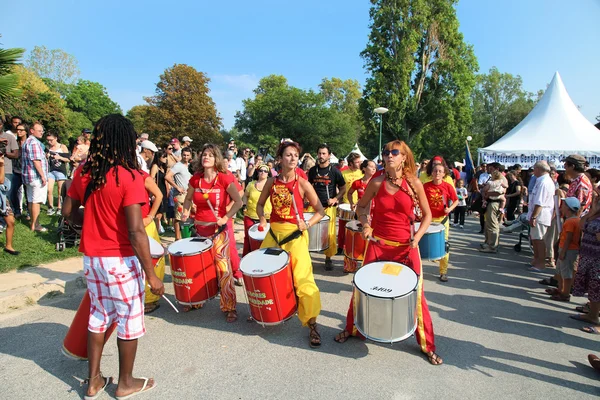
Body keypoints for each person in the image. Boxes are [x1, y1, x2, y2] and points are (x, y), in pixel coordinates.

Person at [62, 114, 164, 399]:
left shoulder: (85, 171)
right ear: (126, 142)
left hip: (92, 259)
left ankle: (93, 381)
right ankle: (126, 382)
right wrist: (152, 274)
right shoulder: (130, 176)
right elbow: (135, 231)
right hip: (120, 260)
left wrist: (91, 222)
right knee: (129, 319)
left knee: (98, 315)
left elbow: (68, 213)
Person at [334, 140, 442, 365]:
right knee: (361, 290)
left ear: (404, 157)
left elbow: (428, 215)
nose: (389, 155)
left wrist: (418, 236)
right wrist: (365, 225)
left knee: (417, 295)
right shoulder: (377, 181)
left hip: (406, 248)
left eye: (395, 152)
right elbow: (362, 207)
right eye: (386, 152)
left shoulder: (414, 183)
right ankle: (353, 329)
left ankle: (427, 344)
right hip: (378, 245)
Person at [256, 140, 325, 348]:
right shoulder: (272, 182)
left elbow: (320, 210)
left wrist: (307, 224)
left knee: (303, 280)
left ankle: (311, 322)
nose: (293, 158)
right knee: (261, 271)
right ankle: (265, 309)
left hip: (295, 236)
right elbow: (260, 204)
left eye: (296, 155)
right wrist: (262, 219)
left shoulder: (303, 183)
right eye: (288, 155)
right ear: (280, 158)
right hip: (274, 235)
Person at [181, 144, 242, 320]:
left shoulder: (223, 178)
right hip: (200, 232)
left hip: (218, 232)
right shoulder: (196, 179)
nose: (206, 157)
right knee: (198, 269)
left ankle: (229, 306)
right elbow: (188, 199)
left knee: (223, 270)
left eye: (210, 155)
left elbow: (238, 201)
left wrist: (226, 217)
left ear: (216, 158)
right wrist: (186, 211)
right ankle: (197, 300)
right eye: (204, 155)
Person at [307, 144, 346, 271]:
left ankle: (328, 259)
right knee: (308, 232)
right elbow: (308, 186)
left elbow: (343, 188)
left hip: (329, 208)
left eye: (324, 153)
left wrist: (335, 199)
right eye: (319, 153)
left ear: (329, 155)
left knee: (329, 235)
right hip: (314, 207)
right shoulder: (313, 171)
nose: (321, 156)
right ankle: (307, 257)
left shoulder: (335, 171)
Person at [423, 163, 458, 282]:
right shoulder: (425, 186)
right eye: (435, 171)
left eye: (440, 171)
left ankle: (443, 272)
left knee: (444, 245)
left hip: (442, 220)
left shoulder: (448, 186)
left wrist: (450, 209)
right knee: (419, 244)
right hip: (427, 220)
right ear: (431, 173)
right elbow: (419, 200)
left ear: (444, 174)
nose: (437, 173)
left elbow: (456, 201)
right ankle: (417, 270)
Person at [570, 195, 600, 333]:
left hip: (597, 258)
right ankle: (592, 315)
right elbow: (582, 225)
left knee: (597, 288)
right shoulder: (594, 215)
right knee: (593, 288)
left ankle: (595, 319)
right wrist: (593, 211)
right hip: (588, 256)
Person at [343, 159, 376, 273]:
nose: (373, 168)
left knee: (372, 239)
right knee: (358, 238)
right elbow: (349, 193)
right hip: (361, 214)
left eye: (374, 166)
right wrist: (352, 203)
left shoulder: (377, 182)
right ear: (364, 169)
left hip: (374, 214)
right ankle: (351, 264)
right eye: (371, 166)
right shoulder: (358, 183)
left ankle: (368, 264)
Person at [546, 197, 580, 302]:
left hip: (568, 250)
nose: (562, 208)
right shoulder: (575, 220)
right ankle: (560, 289)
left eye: (564, 206)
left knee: (566, 273)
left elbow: (569, 238)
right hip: (566, 249)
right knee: (560, 271)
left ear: (568, 208)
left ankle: (565, 293)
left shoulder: (570, 222)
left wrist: (563, 251)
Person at [527, 161, 556, 271]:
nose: (533, 171)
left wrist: (534, 216)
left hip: (540, 215)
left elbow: (540, 202)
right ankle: (536, 260)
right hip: (536, 214)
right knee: (534, 238)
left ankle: (541, 263)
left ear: (538, 169)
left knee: (539, 239)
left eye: (534, 169)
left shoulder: (545, 182)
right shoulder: (540, 181)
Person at [22, 122, 49, 232]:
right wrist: (43, 176)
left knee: (31, 200)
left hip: (28, 177)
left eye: (42, 130)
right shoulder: (33, 143)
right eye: (39, 130)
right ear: (32, 131)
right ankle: (36, 225)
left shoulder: (27, 142)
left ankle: (32, 223)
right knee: (36, 201)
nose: (41, 132)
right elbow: (36, 161)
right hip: (35, 177)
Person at [242, 164, 272, 256]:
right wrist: (244, 205)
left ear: (268, 173)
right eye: (261, 170)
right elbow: (245, 196)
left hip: (267, 217)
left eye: (265, 171)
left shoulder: (271, 185)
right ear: (257, 172)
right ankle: (246, 258)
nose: (263, 172)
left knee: (266, 239)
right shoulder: (251, 184)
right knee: (248, 238)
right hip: (251, 215)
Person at [338, 153, 364, 255]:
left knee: (355, 228)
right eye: (357, 162)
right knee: (342, 228)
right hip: (345, 204)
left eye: (360, 161)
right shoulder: (343, 173)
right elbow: (340, 188)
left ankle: (353, 247)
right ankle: (340, 247)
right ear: (351, 163)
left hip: (358, 206)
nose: (359, 163)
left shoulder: (362, 173)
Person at [164, 148, 193, 240]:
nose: (186, 157)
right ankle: (177, 238)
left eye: (188, 155)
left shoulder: (189, 166)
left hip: (189, 194)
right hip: (180, 194)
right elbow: (167, 176)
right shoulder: (178, 166)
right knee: (178, 217)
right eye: (184, 155)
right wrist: (177, 187)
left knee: (187, 216)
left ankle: (186, 236)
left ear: (191, 156)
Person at [45, 132, 70, 215]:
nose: (49, 142)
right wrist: (46, 156)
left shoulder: (62, 147)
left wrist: (59, 157)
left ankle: (59, 207)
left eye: (51, 140)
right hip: (51, 170)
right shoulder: (48, 147)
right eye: (48, 140)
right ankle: (50, 207)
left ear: (56, 138)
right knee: (49, 189)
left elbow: (68, 159)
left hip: (61, 171)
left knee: (60, 190)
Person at [0, 153, 19, 255]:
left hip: (1, 197)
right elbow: (1, 180)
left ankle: (8, 246)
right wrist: (2, 165)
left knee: (10, 221)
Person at [9, 123, 28, 218]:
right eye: (17, 130)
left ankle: (29, 211)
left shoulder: (30, 143)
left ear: (26, 131)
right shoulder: (15, 142)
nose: (18, 132)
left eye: (21, 130)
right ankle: (17, 210)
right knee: (12, 191)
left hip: (27, 171)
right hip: (16, 170)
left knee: (28, 192)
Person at [150, 151, 169, 234]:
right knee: (158, 213)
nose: (165, 158)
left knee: (161, 212)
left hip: (163, 191)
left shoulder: (162, 167)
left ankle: (157, 231)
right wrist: (153, 193)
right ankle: (156, 231)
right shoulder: (155, 166)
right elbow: (151, 179)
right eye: (164, 156)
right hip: (158, 191)